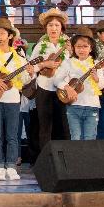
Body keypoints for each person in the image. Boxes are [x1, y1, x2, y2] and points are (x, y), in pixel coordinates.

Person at [0, 17, 36, 181]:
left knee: (12, 135)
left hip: (13, 100)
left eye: (2, 33)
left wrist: (31, 73)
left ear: (10, 36)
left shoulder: (19, 57)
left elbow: (24, 81)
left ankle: (11, 166)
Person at [31, 9, 70, 154]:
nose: (53, 28)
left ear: (62, 28)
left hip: (63, 89)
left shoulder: (67, 47)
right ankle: (46, 160)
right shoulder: (40, 46)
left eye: (57, 25)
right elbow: (31, 67)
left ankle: (64, 160)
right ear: (45, 28)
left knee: (64, 126)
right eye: (50, 25)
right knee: (45, 126)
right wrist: (43, 65)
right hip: (44, 88)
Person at [56, 28, 104, 140]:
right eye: (78, 46)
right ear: (73, 48)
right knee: (75, 138)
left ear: (91, 48)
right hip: (73, 106)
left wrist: (96, 79)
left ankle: (89, 158)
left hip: (92, 106)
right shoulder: (68, 63)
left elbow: (101, 85)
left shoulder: (96, 64)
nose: (81, 49)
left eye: (85, 46)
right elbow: (56, 80)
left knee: (89, 138)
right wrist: (67, 87)